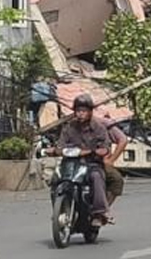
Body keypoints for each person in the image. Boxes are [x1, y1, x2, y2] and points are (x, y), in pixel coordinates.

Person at [56, 94, 111, 225]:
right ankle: (59, 208)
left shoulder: (99, 128)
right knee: (55, 178)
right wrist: (54, 150)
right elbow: (60, 145)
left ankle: (99, 213)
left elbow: (106, 147)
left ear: (90, 112)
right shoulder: (69, 127)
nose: (80, 114)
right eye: (78, 111)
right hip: (70, 164)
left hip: (91, 164)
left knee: (96, 177)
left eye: (84, 111)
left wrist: (98, 151)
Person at [100, 114, 127, 214]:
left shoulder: (104, 124)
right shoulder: (71, 124)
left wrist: (111, 160)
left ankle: (102, 211)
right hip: (74, 162)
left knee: (116, 179)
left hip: (98, 162)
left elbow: (123, 139)